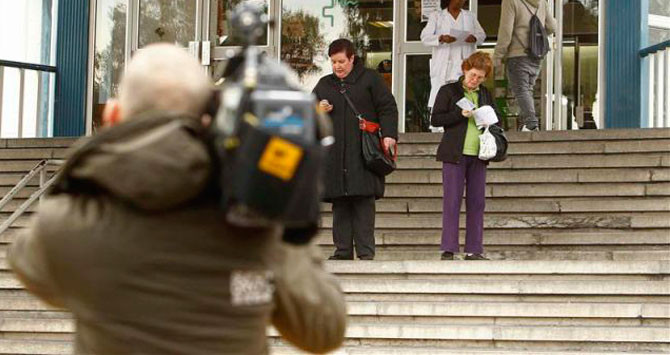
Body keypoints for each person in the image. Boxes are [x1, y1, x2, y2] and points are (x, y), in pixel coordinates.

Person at [8, 43, 346, 354]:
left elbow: (29, 264)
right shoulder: (255, 222)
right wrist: (280, 198)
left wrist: (94, 159)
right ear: (208, 118)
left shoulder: (69, 223)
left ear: (112, 118)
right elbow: (323, 329)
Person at [313, 39, 399, 261]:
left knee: (363, 205)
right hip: (335, 156)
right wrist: (317, 109)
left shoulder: (370, 79)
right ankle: (342, 251)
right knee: (340, 206)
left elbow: (387, 107)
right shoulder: (324, 84)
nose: (337, 66)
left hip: (363, 153)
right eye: (333, 62)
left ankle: (365, 252)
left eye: (341, 61)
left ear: (352, 58)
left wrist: (389, 136)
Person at [430, 51, 501, 261]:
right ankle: (449, 248)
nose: (474, 80)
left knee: (477, 201)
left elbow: (497, 119)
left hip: (479, 154)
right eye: (472, 75)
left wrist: (489, 120)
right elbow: (435, 119)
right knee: (452, 201)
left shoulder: (485, 94)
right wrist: (458, 115)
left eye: (479, 77)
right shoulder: (449, 91)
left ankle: (474, 249)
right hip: (455, 153)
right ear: (464, 69)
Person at [493, 0, 556, 131]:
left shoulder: (510, 2)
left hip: (518, 53)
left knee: (521, 91)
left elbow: (505, 31)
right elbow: (552, 27)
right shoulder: (542, 2)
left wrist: (498, 56)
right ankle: (525, 125)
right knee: (528, 90)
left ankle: (531, 124)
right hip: (536, 54)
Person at [421, 0, 486, 110]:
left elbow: (481, 35)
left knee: (464, 96)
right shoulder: (437, 16)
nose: (460, 2)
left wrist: (474, 38)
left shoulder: (470, 16)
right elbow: (425, 37)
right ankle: (440, 125)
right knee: (442, 96)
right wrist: (441, 38)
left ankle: (464, 121)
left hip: (463, 62)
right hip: (444, 64)